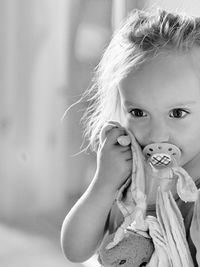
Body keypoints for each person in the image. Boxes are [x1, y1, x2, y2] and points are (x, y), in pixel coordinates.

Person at [60, 8, 200, 265]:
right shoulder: (127, 173)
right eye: (138, 112)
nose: (157, 134)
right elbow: (75, 251)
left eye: (177, 113)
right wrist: (103, 184)